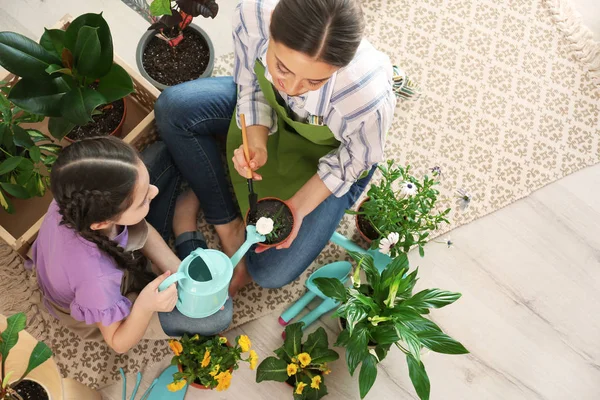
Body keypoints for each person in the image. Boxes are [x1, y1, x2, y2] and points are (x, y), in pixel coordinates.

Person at [155, 0, 396, 297]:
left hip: (333, 157)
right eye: (282, 67)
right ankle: (226, 222)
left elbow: (355, 159)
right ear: (271, 30)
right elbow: (249, 84)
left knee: (269, 272)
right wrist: (255, 136)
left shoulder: (364, 97)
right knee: (172, 109)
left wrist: (295, 209)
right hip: (273, 114)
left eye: (315, 81)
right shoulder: (253, 14)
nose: (291, 89)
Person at [28, 137, 232, 353]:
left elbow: (142, 227)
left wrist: (182, 272)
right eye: (144, 199)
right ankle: (185, 232)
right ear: (103, 223)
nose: (153, 191)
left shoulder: (75, 194)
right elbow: (118, 342)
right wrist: (145, 306)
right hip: (108, 302)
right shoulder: (97, 279)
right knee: (220, 315)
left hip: (106, 255)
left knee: (168, 148)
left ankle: (179, 220)